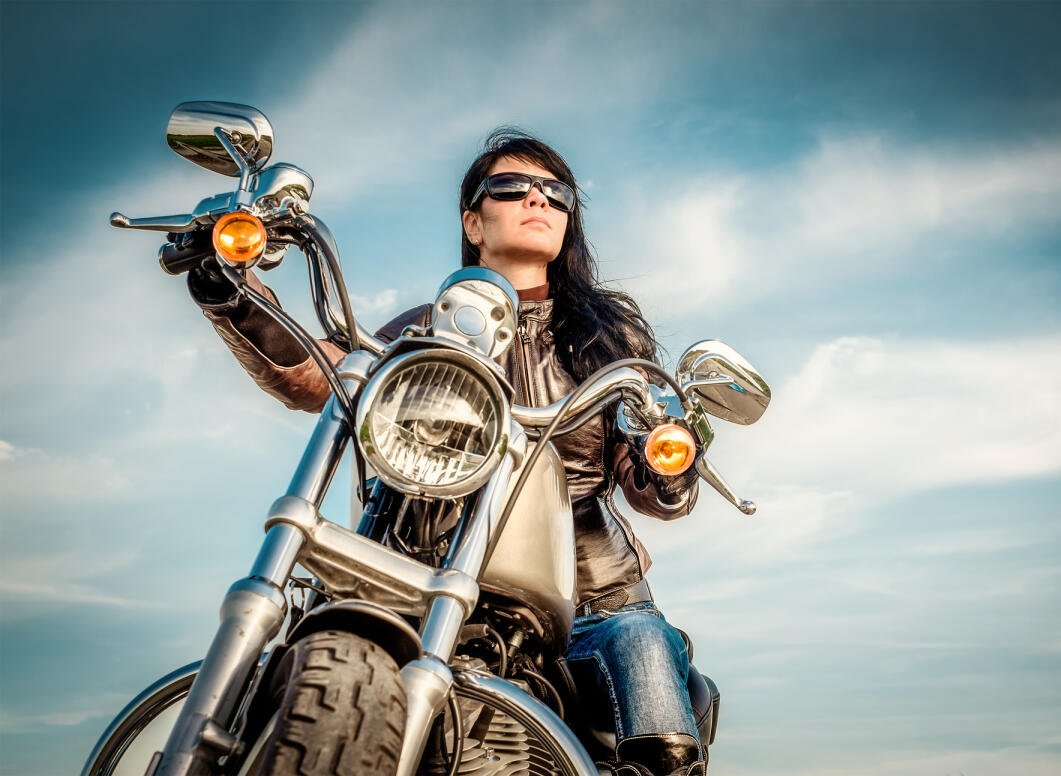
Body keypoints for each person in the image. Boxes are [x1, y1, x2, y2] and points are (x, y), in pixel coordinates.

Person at [187, 129, 707, 776]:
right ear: (472, 222)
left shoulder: (610, 340)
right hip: (424, 580)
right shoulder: (425, 329)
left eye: (556, 193)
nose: (538, 200)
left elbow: (647, 480)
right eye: (511, 187)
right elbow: (322, 375)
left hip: (592, 603)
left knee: (642, 644)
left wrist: (668, 464)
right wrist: (236, 297)